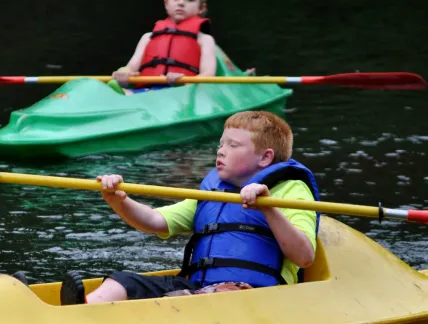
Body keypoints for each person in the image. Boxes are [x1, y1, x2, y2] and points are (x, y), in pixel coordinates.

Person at [59, 111, 320, 305]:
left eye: (233, 145)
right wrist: (117, 199)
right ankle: (85, 310)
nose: (221, 152)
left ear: (266, 157)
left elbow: (304, 256)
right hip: (199, 286)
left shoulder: (291, 191)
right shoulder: (213, 193)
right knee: (121, 281)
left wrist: (268, 207)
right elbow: (154, 220)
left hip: (252, 293)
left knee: (196, 296)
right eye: (220, 144)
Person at [107, 0, 217, 95]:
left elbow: (207, 75)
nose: (181, 3)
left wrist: (184, 82)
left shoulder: (205, 40)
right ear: (166, 3)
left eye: (190, 0)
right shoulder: (147, 37)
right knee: (125, 92)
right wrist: (124, 73)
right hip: (149, 89)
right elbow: (131, 67)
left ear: (201, 8)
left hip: (185, 91)